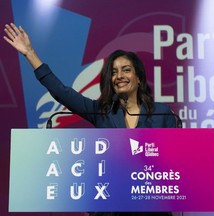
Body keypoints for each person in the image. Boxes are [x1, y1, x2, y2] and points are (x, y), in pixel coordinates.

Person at [4, 23, 177, 216]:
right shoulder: (101, 111)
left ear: (138, 78)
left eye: (126, 70)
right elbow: (62, 93)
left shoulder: (162, 115)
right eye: (113, 72)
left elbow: (176, 166)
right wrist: (30, 53)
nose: (119, 76)